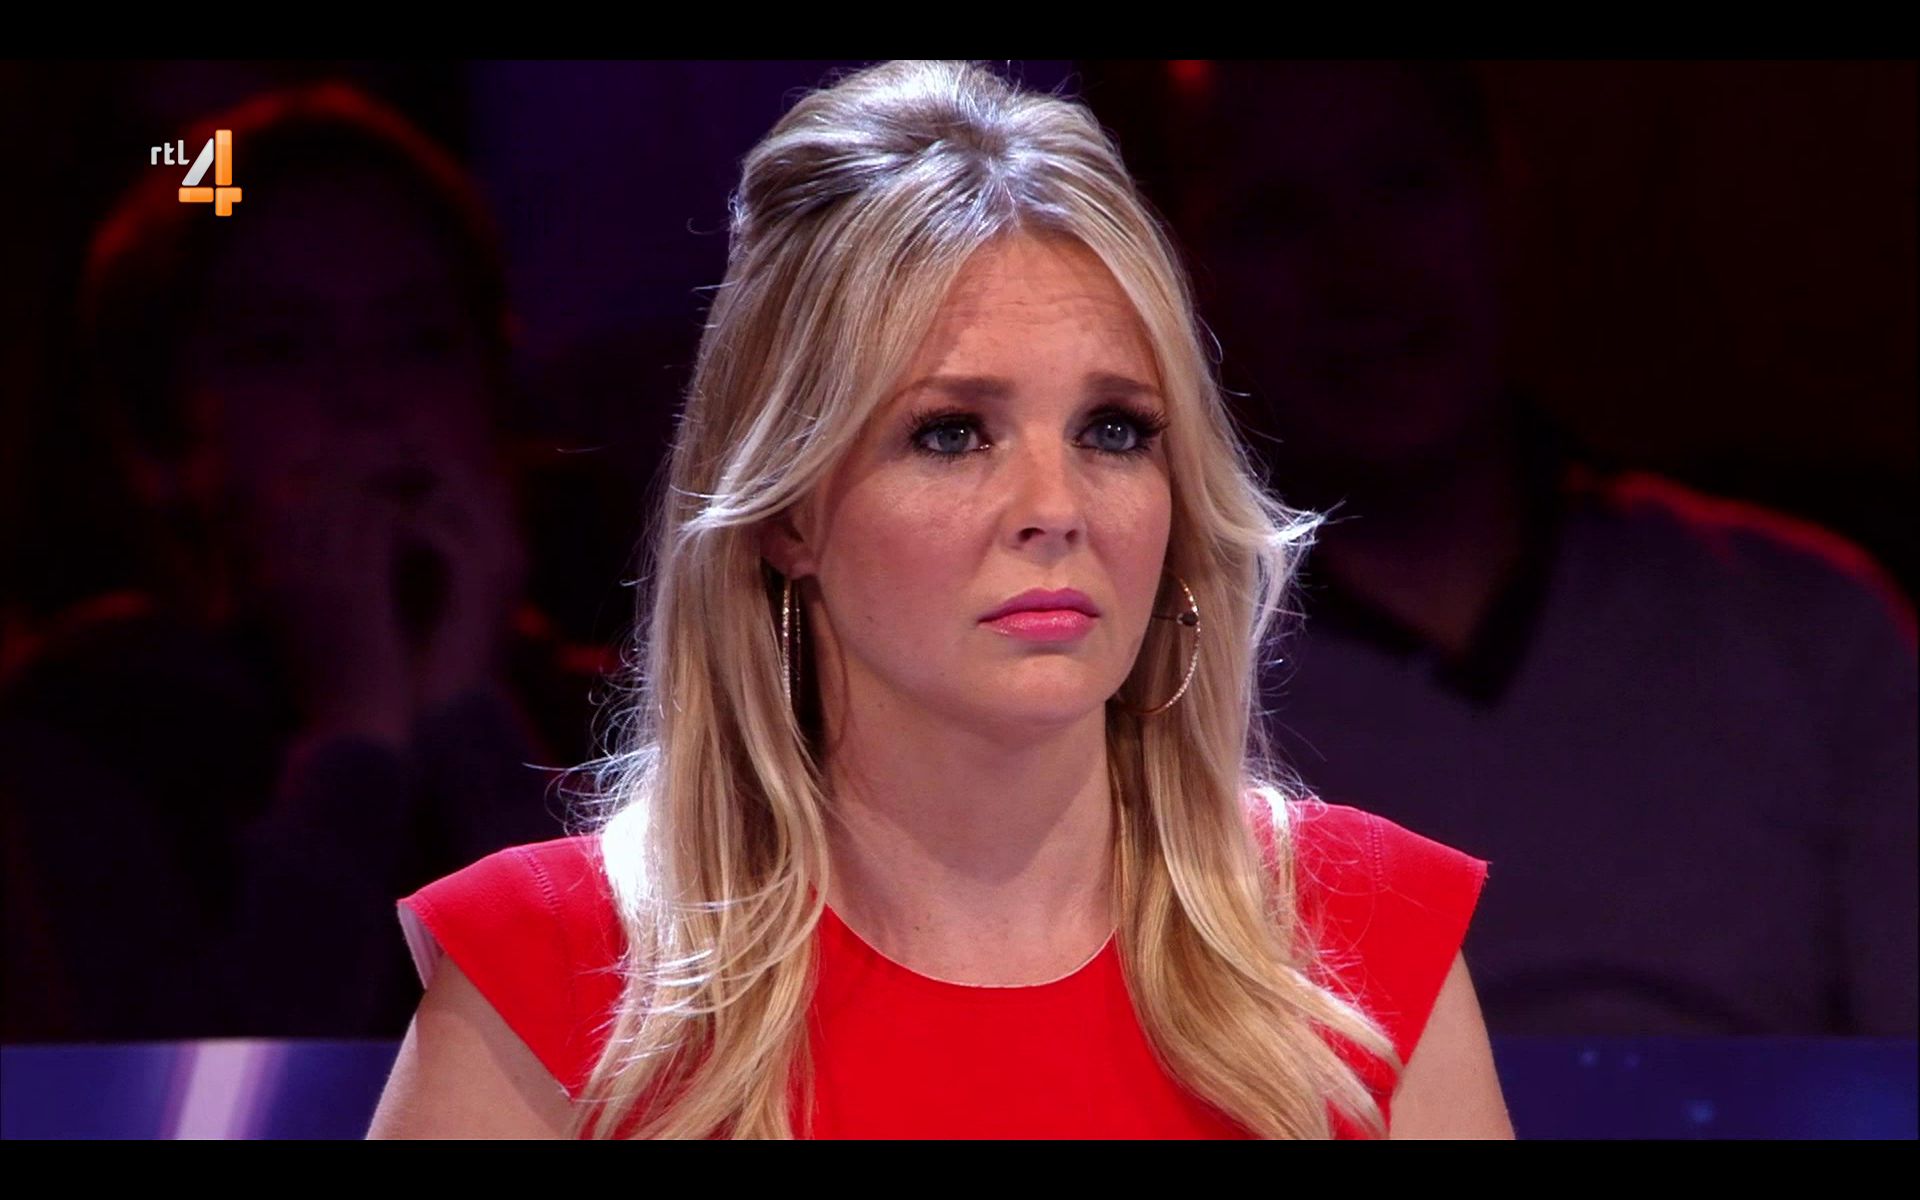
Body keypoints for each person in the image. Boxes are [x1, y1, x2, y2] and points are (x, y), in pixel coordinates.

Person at [367, 60, 1512, 1140]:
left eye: (1114, 430)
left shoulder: (1364, 946)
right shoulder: (556, 974)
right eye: (952, 432)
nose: (1055, 506)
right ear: (787, 513)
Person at [1083, 59, 1918, 1036]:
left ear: (1505, 196)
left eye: (1403, 185)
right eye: (1276, 215)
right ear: (1180, 270)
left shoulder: (1813, 629)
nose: (1360, 273)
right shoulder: (1139, 669)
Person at [0, 82, 602, 1041]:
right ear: (164, 441)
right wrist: (354, 746)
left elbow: (643, 1060)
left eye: (417, 340)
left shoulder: (631, 714)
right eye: (282, 348)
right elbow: (201, 1085)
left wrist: (471, 721)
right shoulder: (78, 738)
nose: (366, 398)